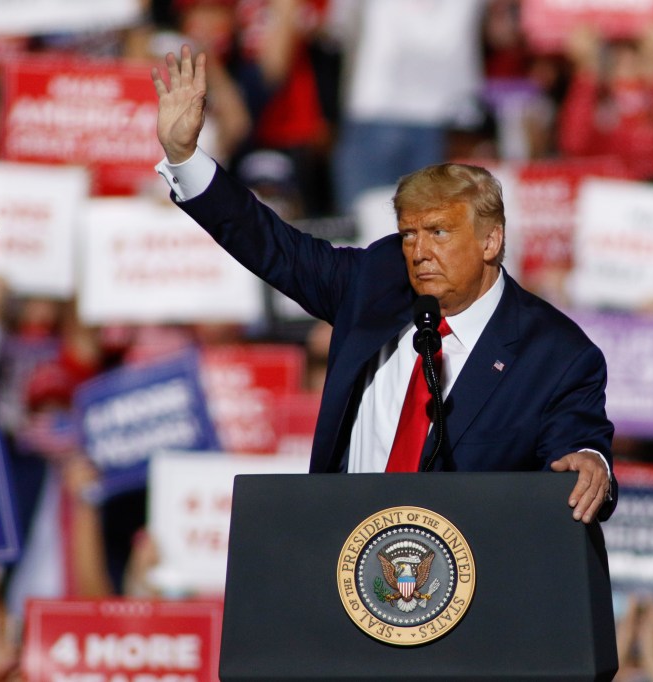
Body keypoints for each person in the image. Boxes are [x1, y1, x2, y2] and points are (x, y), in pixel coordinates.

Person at [149, 45, 617, 523]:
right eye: (410, 233)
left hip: (470, 582)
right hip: (341, 563)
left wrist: (591, 464)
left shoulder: (556, 354)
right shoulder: (377, 281)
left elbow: (577, 448)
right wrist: (184, 157)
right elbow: (272, 244)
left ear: (490, 240)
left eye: (439, 232)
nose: (418, 251)